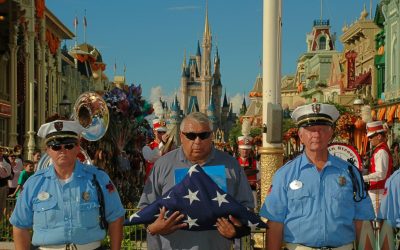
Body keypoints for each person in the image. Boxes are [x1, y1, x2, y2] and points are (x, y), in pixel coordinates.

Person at [260, 103, 375, 250]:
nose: (316, 134)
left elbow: (362, 221)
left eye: (322, 129)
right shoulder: (285, 175)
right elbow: (275, 223)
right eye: (310, 130)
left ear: (330, 133)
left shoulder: (350, 173)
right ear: (301, 136)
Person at [139, 112, 254, 250]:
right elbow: (145, 208)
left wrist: (237, 230)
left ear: (211, 135)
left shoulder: (231, 165)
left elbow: (247, 210)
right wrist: (153, 227)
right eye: (191, 136)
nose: (197, 141)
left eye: (203, 135)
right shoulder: (163, 165)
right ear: (181, 136)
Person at [10, 119, 125, 250]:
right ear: (47, 150)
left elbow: (116, 217)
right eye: (56, 146)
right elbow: (20, 225)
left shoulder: (98, 178)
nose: (62, 150)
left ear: (78, 147)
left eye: (69, 145)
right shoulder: (34, 183)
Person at [363, 120, 393, 215]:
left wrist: (363, 178)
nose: (369, 139)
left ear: (379, 136)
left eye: (371, 137)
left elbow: (381, 174)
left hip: (379, 191)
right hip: (377, 190)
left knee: (378, 219)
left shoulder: (381, 152)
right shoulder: (379, 150)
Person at [142, 118, 174, 182]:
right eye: (159, 132)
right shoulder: (147, 148)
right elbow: (151, 158)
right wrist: (163, 143)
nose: (162, 134)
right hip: (152, 183)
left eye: (164, 132)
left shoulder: (171, 147)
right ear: (154, 131)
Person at [237, 135, 259, 208]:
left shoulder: (255, 163)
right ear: (239, 149)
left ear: (250, 150)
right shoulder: (234, 162)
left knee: (252, 210)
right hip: (237, 192)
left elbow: (260, 179)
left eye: (246, 149)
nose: (244, 151)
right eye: (243, 149)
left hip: (251, 191)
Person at [0, 147, 12, 220]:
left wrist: (10, 175)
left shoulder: (6, 158)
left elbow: (11, 173)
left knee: (2, 207)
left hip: (3, 186)